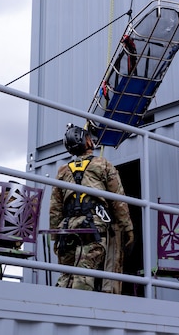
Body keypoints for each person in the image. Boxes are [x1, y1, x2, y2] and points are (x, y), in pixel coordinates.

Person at [49, 124, 134, 292]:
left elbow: (55, 209)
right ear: (85, 141)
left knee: (66, 274)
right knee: (85, 272)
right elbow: (118, 201)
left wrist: (56, 236)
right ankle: (78, 312)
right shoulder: (103, 164)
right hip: (93, 227)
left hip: (67, 229)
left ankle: (59, 306)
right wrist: (127, 228)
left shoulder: (62, 171)